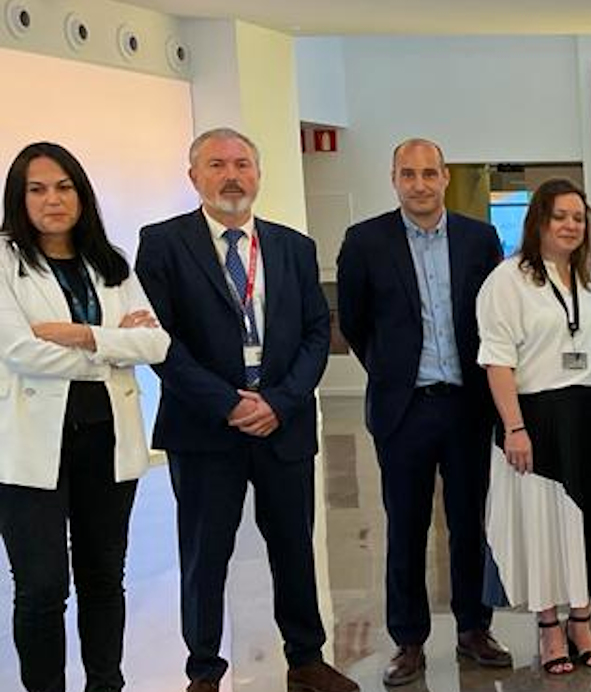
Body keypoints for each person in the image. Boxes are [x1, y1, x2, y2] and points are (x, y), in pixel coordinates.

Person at [133, 128, 355, 692]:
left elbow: (316, 332)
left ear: (257, 174)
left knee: (294, 548)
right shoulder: (162, 244)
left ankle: (306, 658)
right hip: (204, 429)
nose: (231, 176)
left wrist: (280, 401)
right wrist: (227, 403)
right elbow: (159, 341)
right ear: (194, 176)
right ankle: (204, 671)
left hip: (283, 424)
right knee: (204, 555)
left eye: (241, 164)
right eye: (216, 164)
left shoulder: (293, 246)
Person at [335, 138, 511, 684]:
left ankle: (474, 629)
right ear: (394, 179)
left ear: (444, 178)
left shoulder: (479, 239)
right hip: (404, 409)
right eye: (408, 174)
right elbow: (354, 322)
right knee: (405, 527)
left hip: (467, 405)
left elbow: (494, 316)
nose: (419, 184)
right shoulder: (365, 241)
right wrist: (392, 372)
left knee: (469, 524)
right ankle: (408, 641)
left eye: (429, 173)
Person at [0, 142, 170, 692]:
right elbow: (19, 352)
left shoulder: (109, 260)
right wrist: (112, 346)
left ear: (81, 194)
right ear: (19, 198)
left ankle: (105, 684)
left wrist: (80, 335)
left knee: (103, 578)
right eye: (37, 189)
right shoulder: (4, 261)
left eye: (63, 187)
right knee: (41, 586)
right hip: (30, 447)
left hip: (106, 436)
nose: (52, 200)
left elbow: (156, 343)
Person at [476, 178, 591, 676]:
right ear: (538, 220)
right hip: (536, 416)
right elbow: (497, 361)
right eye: (560, 216)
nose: (570, 226)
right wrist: (514, 429)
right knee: (543, 525)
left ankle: (582, 621)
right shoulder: (507, 280)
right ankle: (549, 627)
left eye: (578, 218)